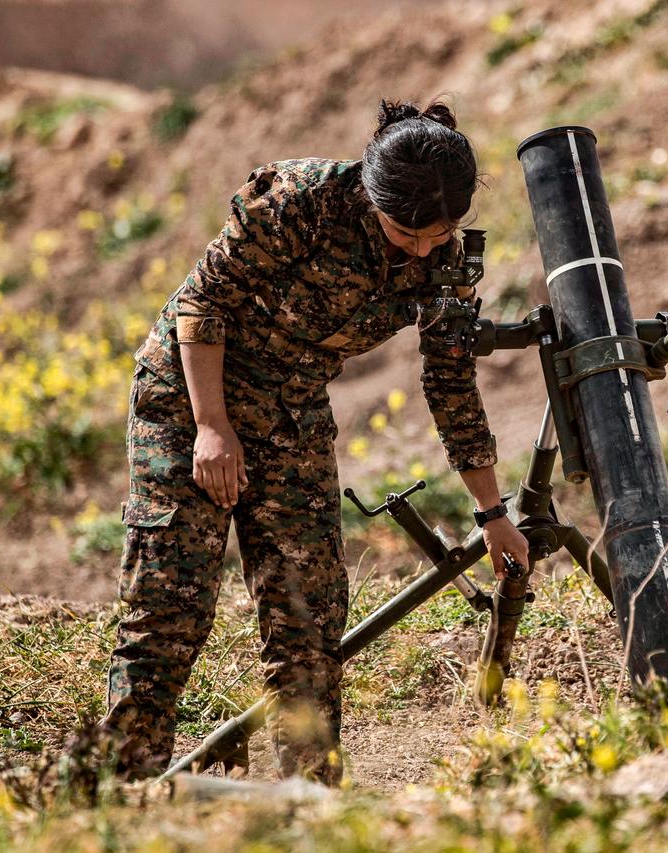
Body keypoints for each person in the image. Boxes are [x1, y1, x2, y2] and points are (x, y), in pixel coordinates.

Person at [99, 98, 530, 784]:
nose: (419, 250)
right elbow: (201, 303)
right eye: (403, 234)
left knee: (309, 617)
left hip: (290, 408)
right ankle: (120, 790)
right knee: (171, 604)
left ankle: (311, 805)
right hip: (189, 396)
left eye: (436, 235)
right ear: (370, 193)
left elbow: (451, 382)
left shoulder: (445, 260)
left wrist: (492, 512)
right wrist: (212, 427)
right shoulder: (299, 200)